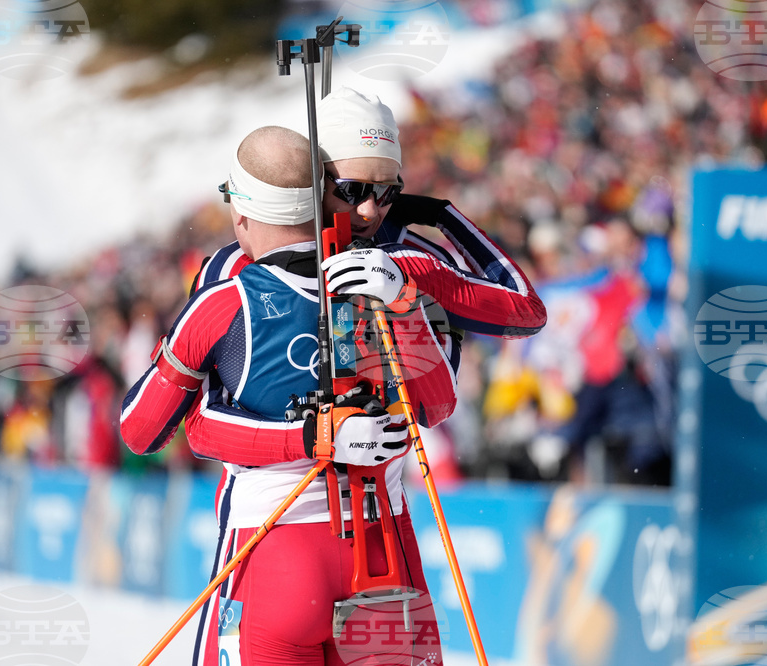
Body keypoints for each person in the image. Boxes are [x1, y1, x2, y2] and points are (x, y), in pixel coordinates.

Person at [185, 87, 547, 665]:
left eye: (388, 192)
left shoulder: (403, 255)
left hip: (381, 537)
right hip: (272, 527)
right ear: (312, 182)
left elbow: (524, 312)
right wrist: (311, 436)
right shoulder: (240, 264)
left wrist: (438, 219)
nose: (371, 211)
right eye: (353, 190)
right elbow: (201, 425)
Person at [120, 125, 458, 665]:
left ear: (242, 214)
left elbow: (141, 430)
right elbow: (437, 407)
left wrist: (310, 435)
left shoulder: (222, 303)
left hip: (273, 552)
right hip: (385, 553)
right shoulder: (389, 281)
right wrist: (403, 301)